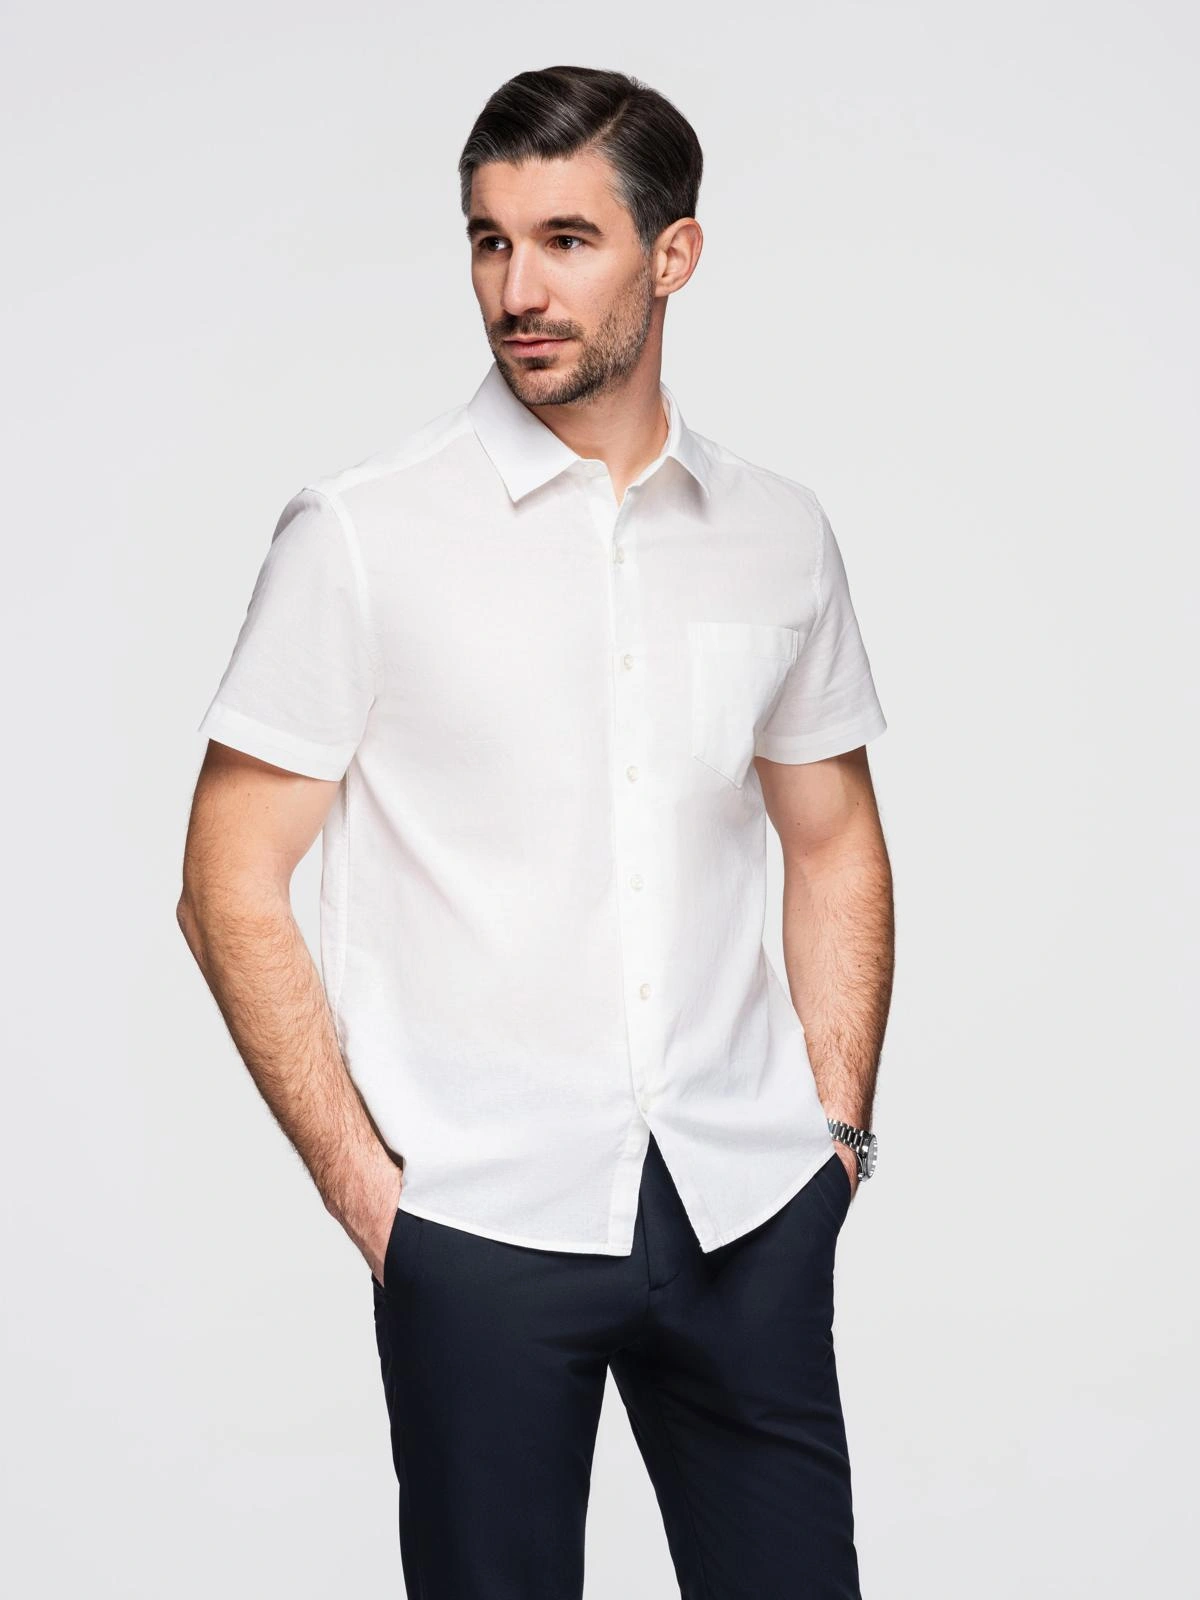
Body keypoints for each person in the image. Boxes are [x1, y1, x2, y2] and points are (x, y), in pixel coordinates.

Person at [178, 63, 893, 1600]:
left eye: (567, 240)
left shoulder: (779, 533)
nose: (518, 290)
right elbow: (227, 878)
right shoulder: (361, 534)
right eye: (490, 242)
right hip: (477, 1226)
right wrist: (370, 1191)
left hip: (744, 1209)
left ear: (673, 254)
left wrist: (833, 1135)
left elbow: (832, 836)